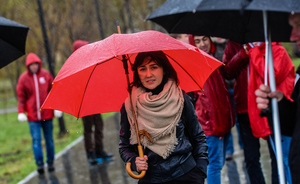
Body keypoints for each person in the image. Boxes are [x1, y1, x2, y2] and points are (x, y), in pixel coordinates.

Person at [119, 51, 208, 184]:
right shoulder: (130, 106)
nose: (148, 74)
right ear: (137, 73)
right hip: (151, 178)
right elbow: (124, 147)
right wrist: (134, 161)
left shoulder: (180, 99)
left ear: (164, 70)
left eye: (154, 67)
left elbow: (198, 137)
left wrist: (201, 170)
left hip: (187, 175)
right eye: (142, 69)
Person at [223, 39, 295, 183]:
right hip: (244, 106)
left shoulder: (269, 36)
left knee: (276, 154)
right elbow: (227, 72)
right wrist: (243, 53)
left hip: (268, 106)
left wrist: (257, 52)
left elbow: (275, 70)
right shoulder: (234, 42)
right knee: (251, 157)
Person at [255, 12, 300, 184]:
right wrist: (278, 103)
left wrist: (253, 54)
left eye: (299, 25)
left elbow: (270, 72)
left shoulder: (277, 52)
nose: (292, 35)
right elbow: (295, 125)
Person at [189, 35, 236, 184]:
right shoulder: (198, 65)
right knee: (214, 166)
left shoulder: (211, 60)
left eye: (205, 39)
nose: (203, 44)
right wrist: (219, 127)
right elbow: (208, 101)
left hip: (220, 123)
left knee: (218, 164)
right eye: (197, 41)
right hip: (212, 126)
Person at [16, 53, 62, 175]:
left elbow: (54, 92)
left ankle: (51, 162)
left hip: (47, 115)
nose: (34, 67)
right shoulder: (24, 79)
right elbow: (21, 98)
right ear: (28, 66)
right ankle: (40, 163)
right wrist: (21, 112)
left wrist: (56, 107)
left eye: (35, 64)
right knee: (36, 140)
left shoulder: (46, 75)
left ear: (38, 64)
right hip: (33, 117)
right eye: (31, 65)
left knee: (49, 140)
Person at [73, 40, 112, 165]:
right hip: (85, 104)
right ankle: (90, 153)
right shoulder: (75, 67)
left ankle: (99, 149)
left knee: (99, 125)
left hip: (95, 101)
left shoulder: (91, 63)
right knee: (88, 128)